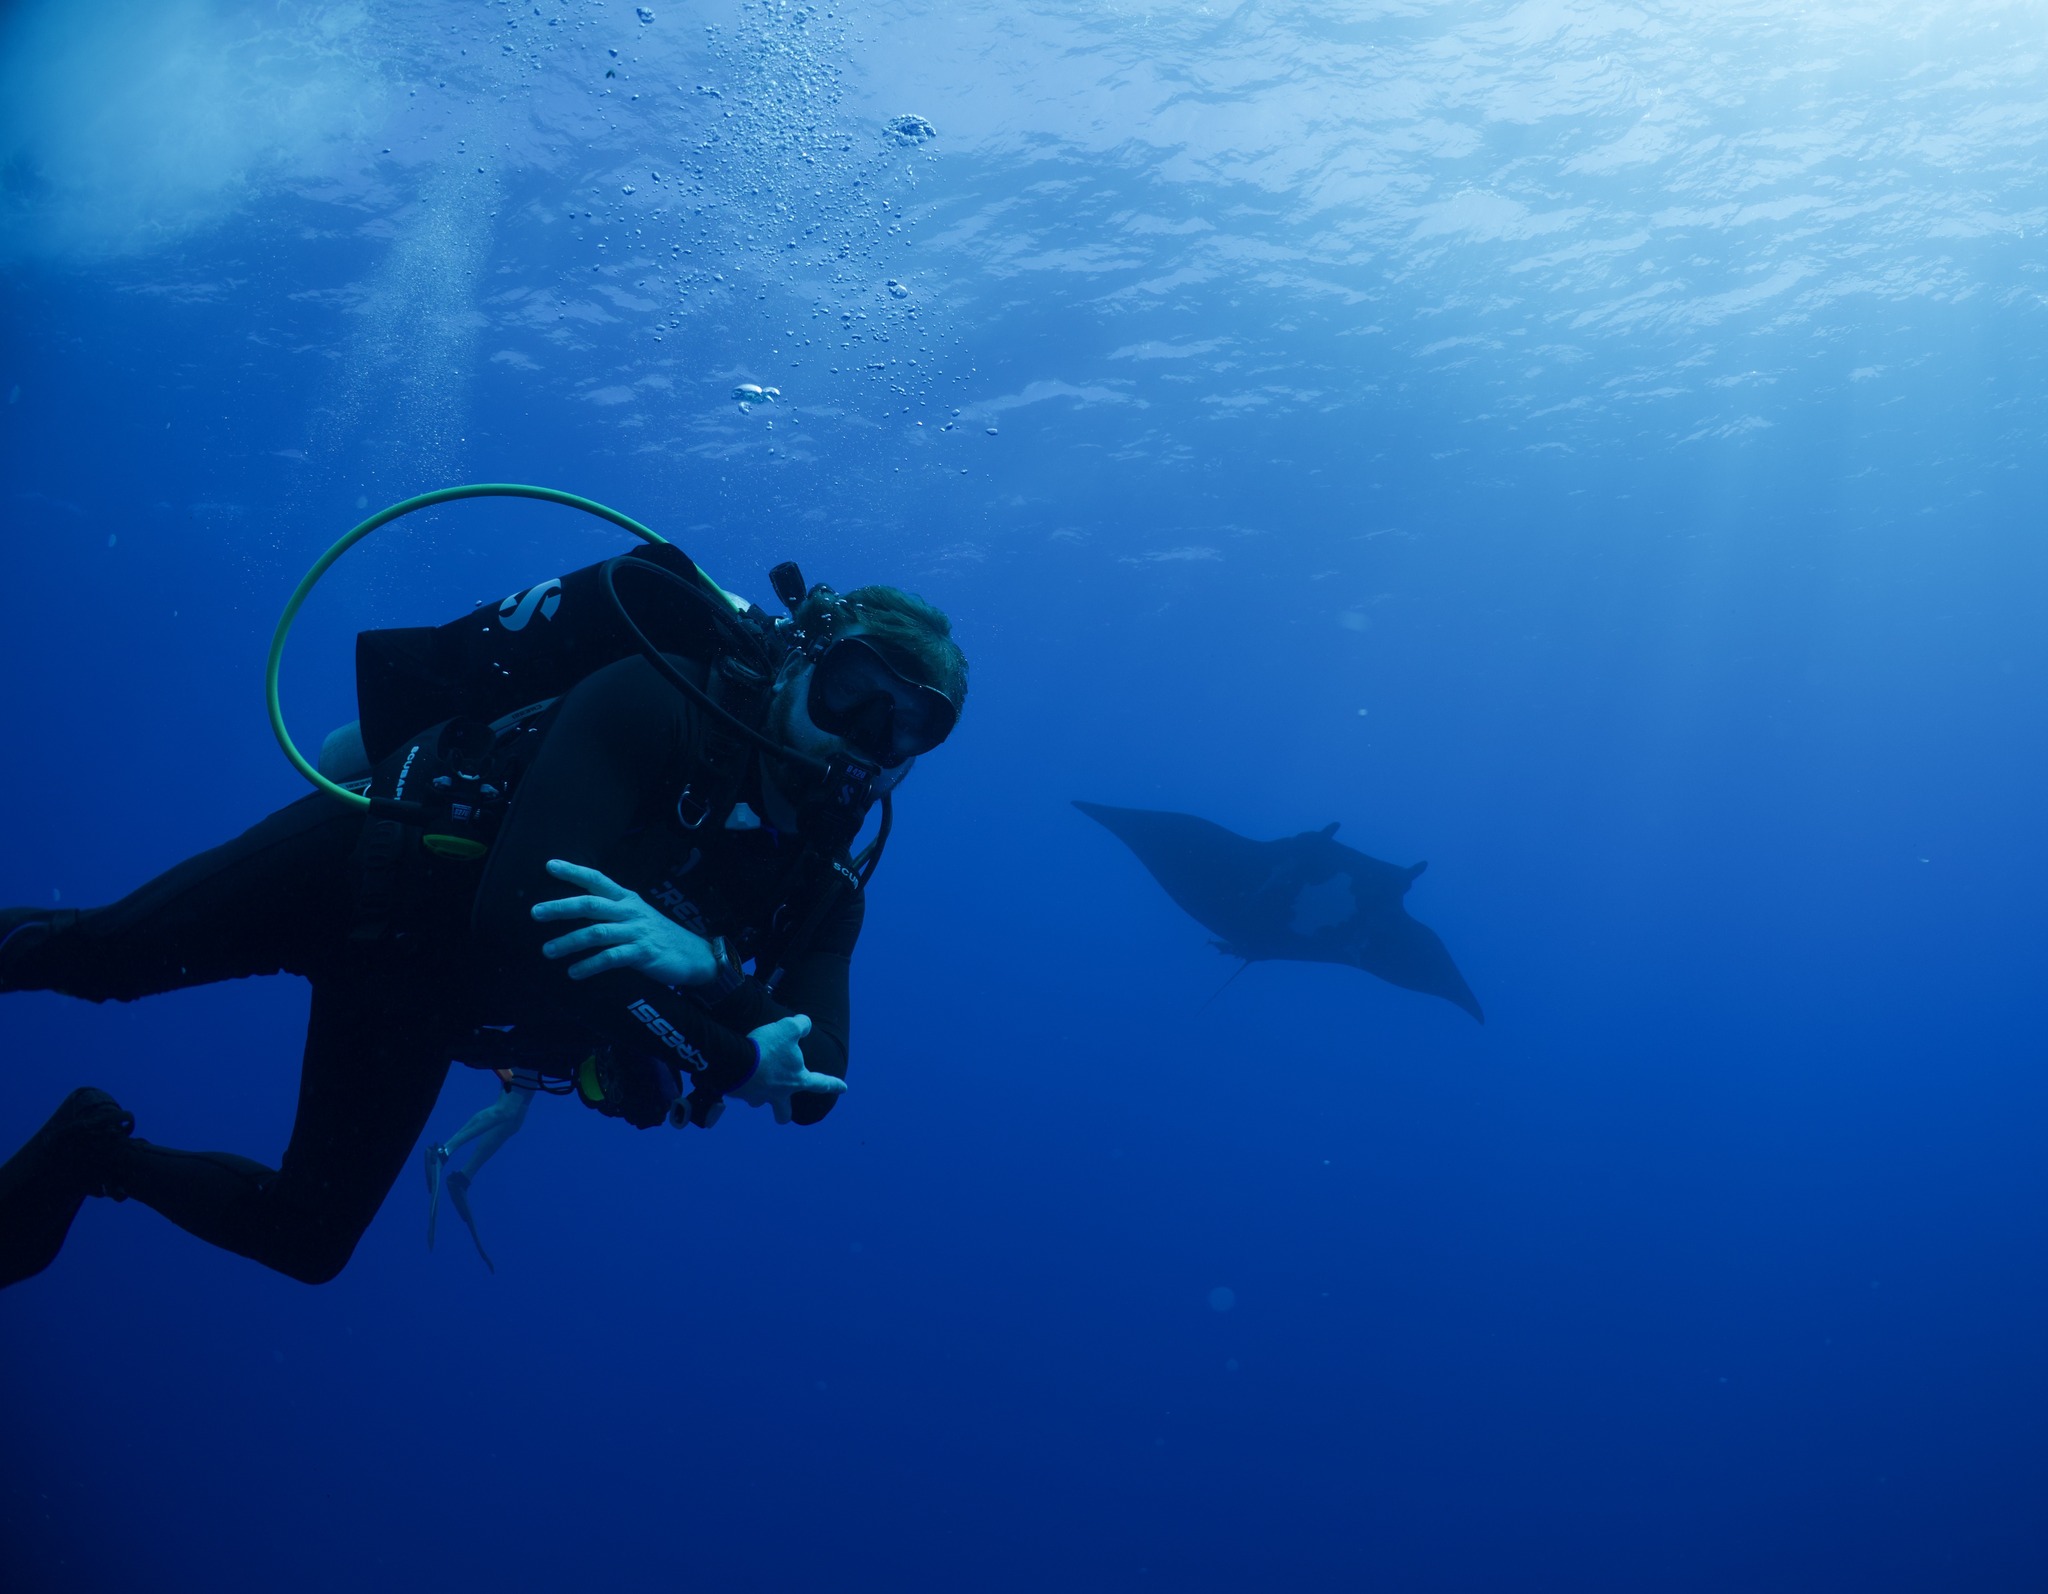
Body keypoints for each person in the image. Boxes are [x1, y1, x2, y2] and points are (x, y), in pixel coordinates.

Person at [0, 564, 966, 1287]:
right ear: (802, 659)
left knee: (306, 1241)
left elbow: (815, 1085)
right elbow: (516, 919)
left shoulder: (825, 885)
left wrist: (708, 969)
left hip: (422, 1000)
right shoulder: (663, 699)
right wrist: (727, 1050)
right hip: (360, 876)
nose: (864, 737)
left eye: (905, 726)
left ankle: (93, 1149)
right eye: (851, 690)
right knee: (101, 956)